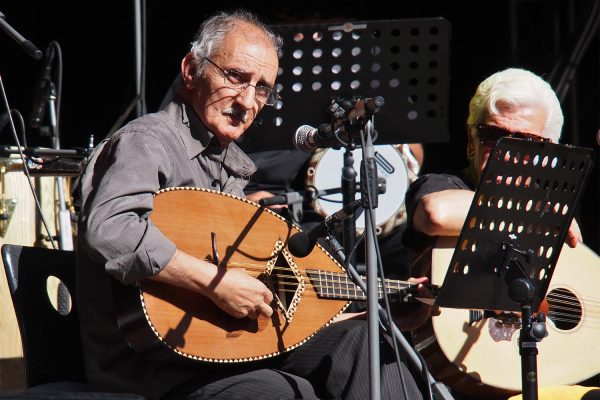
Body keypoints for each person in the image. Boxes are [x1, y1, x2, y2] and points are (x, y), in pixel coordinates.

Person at [76, 9, 424, 400]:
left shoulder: (229, 168)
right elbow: (111, 229)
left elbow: (262, 295)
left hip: (226, 350)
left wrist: (382, 305)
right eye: (235, 76)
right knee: (286, 393)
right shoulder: (149, 141)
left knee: (366, 340)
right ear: (191, 69)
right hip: (154, 368)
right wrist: (215, 282)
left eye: (262, 88)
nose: (246, 100)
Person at [403, 67, 598, 399]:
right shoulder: (446, 186)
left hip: (542, 378)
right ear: (471, 140)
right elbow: (435, 214)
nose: (506, 152)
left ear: (548, 153)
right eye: (493, 136)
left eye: (525, 142)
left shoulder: (550, 211)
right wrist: (544, 218)